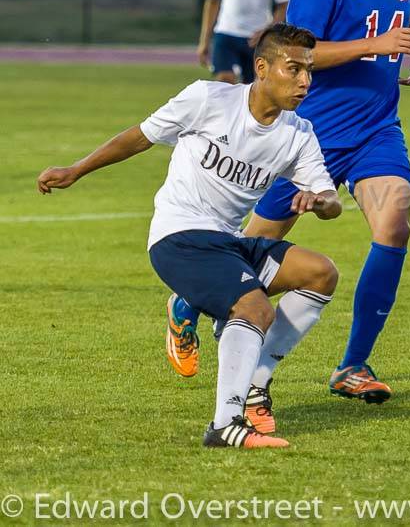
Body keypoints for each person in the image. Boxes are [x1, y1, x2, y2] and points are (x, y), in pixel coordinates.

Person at [166, 0, 410, 412]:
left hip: (377, 128)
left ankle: (353, 365)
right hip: (310, 134)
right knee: (249, 248)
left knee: (395, 225)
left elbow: (398, 22)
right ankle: (188, 302)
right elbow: (299, 52)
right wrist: (374, 44)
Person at [38, 24, 343, 448]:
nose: (305, 81)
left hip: (229, 243)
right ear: (262, 68)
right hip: (178, 235)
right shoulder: (208, 98)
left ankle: (254, 381)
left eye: (309, 71)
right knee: (253, 308)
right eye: (294, 69)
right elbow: (140, 137)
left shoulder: (299, 134)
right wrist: (76, 169)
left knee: (320, 273)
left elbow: (331, 200)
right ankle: (225, 425)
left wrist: (321, 202)